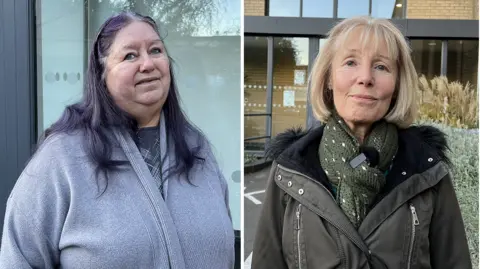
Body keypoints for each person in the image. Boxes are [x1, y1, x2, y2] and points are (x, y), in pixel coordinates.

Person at [0, 12, 234, 269]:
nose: (147, 64)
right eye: (130, 56)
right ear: (102, 75)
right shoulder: (62, 159)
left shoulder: (196, 149)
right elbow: (19, 259)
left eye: (155, 50)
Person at [251, 16, 471, 269]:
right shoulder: (290, 170)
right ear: (329, 78)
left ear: (398, 85)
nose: (365, 77)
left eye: (381, 67)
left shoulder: (428, 171)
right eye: (351, 62)